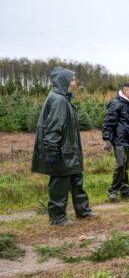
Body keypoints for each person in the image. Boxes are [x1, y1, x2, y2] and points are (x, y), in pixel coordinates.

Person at [32, 67, 95, 226]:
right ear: (64, 80)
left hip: (70, 151)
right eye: (72, 79)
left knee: (76, 181)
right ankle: (58, 218)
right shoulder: (59, 100)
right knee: (60, 184)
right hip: (61, 152)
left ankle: (83, 211)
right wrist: (52, 152)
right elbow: (54, 128)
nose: (74, 83)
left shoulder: (63, 98)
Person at [102, 82, 129, 200]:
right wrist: (106, 139)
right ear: (125, 91)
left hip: (128, 140)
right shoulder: (116, 104)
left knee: (125, 166)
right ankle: (113, 190)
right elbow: (108, 122)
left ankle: (125, 189)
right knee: (120, 164)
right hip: (118, 139)